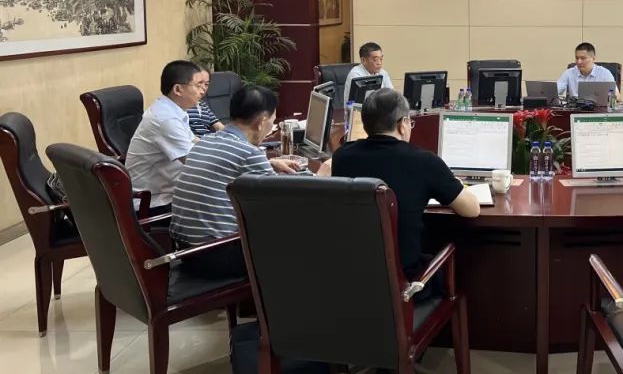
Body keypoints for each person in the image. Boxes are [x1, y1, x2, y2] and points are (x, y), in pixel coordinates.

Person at [330, 89, 480, 288]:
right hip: (407, 285)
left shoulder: (342, 157)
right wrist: (452, 182)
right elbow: (472, 209)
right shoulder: (425, 162)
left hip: (353, 281)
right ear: (403, 124)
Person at [170, 85, 304, 278]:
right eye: (272, 122)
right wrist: (322, 176)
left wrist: (269, 163)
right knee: (300, 233)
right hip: (217, 255)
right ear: (261, 122)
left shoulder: (205, 142)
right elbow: (279, 207)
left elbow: (226, 167)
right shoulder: (249, 153)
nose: (271, 128)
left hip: (185, 250)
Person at [126, 60, 201, 211]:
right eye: (198, 86)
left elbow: (196, 142)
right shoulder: (166, 119)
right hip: (152, 204)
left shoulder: (171, 110)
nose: (202, 91)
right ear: (178, 89)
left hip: (167, 192)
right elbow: (196, 162)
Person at [186, 66, 225, 137]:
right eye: (199, 83)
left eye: (206, 84)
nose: (203, 87)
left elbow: (218, 126)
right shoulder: (182, 105)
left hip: (209, 140)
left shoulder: (203, 105)